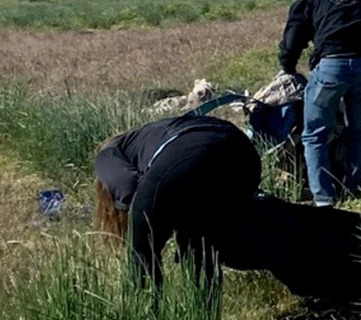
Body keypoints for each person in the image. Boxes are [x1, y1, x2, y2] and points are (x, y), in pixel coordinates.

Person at [93, 114, 262, 285]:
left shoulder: (109, 152)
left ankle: (143, 307)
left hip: (187, 152)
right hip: (243, 154)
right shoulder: (152, 134)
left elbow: (128, 188)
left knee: (140, 249)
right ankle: (202, 309)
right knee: (198, 241)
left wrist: (147, 227)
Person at [279, 0, 361, 205]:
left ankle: (323, 198)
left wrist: (287, 67)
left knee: (314, 134)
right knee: (359, 130)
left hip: (331, 69)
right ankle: (357, 187)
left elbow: (293, 38)